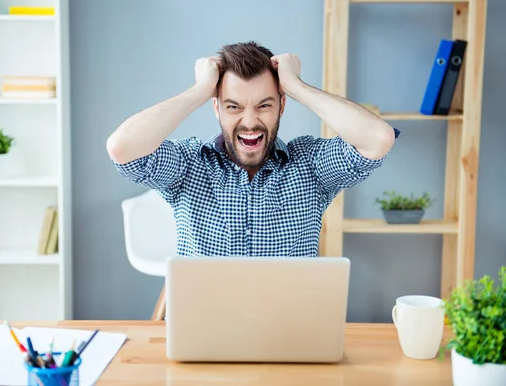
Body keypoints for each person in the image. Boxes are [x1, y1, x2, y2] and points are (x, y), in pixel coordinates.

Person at [107, 41, 399, 257]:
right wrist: (199, 90)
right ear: (217, 107)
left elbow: (378, 138)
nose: (249, 122)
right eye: (233, 106)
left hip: (289, 334)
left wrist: (296, 86)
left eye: (264, 105)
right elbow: (123, 148)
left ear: (281, 106)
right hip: (205, 335)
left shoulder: (311, 164)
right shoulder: (189, 164)